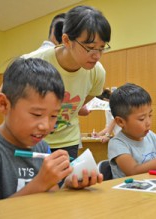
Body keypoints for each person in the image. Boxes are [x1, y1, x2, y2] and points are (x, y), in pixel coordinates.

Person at [0, 58, 103, 203]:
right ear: (4, 104)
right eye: (37, 114)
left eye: (53, 116)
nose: (46, 126)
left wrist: (68, 186)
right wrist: (41, 183)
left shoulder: (42, 147)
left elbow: (49, 200)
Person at [23, 5, 111, 158]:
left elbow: (81, 103)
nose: (97, 56)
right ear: (67, 40)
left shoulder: (97, 72)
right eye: (90, 47)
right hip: (31, 139)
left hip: (67, 142)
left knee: (67, 182)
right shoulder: (34, 62)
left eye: (102, 48)